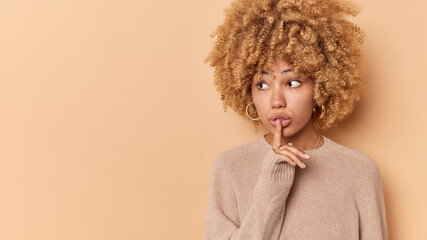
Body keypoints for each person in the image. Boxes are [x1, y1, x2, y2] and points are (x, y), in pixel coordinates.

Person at [203, 0, 388, 239]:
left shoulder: (360, 172)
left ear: (321, 86)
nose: (276, 100)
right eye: (262, 84)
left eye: (292, 83)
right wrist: (272, 185)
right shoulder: (230, 168)